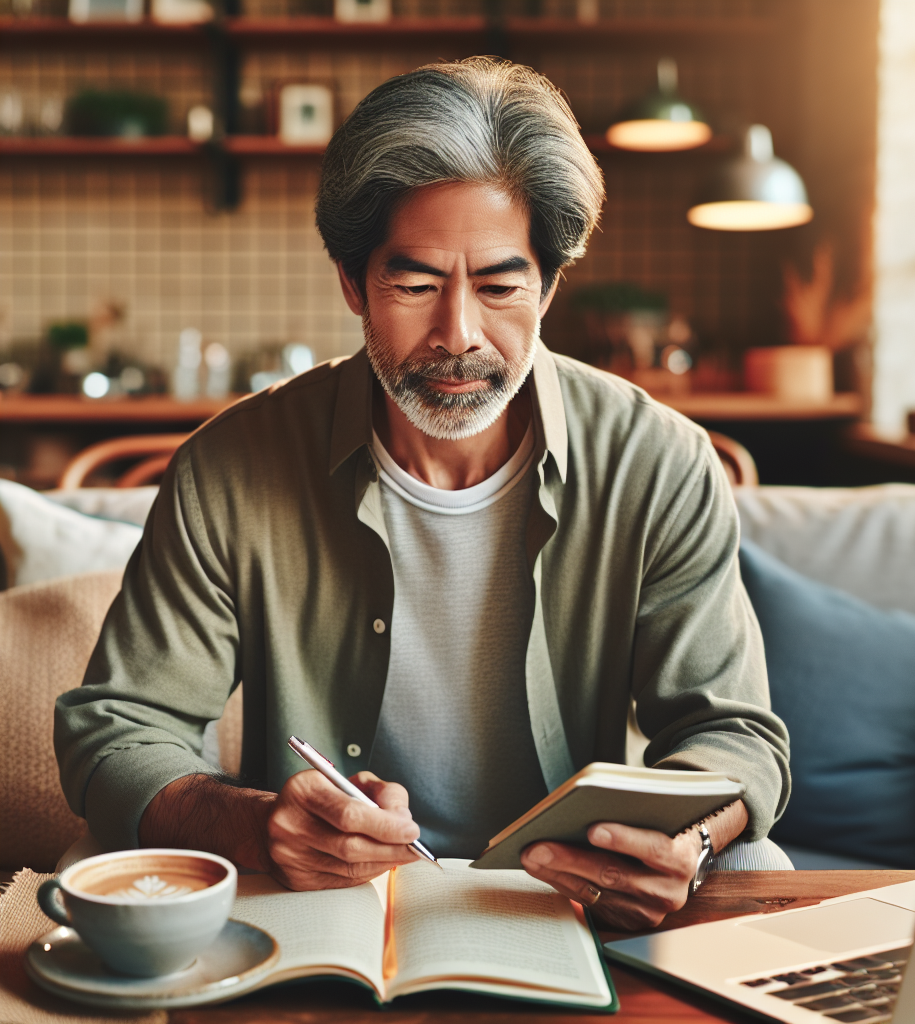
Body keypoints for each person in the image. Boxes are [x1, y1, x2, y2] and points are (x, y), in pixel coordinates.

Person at [55, 58, 791, 932]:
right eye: (413, 285)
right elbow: (118, 729)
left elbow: (736, 736)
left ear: (550, 287)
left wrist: (689, 840)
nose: (458, 336)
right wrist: (259, 827)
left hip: (576, 896)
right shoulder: (229, 467)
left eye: (500, 287)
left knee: (755, 858)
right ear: (352, 282)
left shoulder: (659, 462)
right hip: (318, 897)